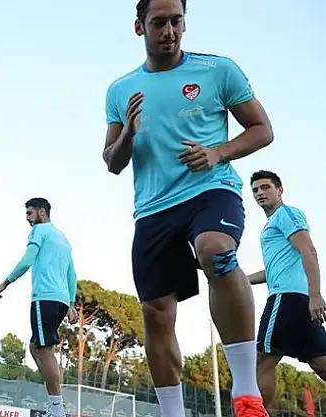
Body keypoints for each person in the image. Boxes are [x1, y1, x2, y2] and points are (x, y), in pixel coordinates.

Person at [102, 0, 274, 416]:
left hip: (210, 190)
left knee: (216, 250)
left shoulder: (218, 70)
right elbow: (111, 161)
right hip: (153, 209)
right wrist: (127, 134)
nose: (169, 31)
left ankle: (246, 393)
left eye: (177, 21)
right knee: (155, 312)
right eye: (159, 22)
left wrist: (217, 153)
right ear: (139, 26)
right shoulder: (121, 90)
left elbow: (262, 129)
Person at [247, 170, 326, 408]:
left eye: (266, 187)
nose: (260, 193)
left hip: (287, 298)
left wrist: (315, 295)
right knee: (321, 362)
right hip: (298, 301)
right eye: (255, 190)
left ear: (280, 190)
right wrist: (238, 279)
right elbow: (271, 271)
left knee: (263, 361)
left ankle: (256, 414)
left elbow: (309, 250)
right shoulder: (272, 224)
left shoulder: (286, 214)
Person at [0, 198, 77, 417]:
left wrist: (6, 282)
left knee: (45, 350)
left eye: (30, 213)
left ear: (42, 212)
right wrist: (71, 304)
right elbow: (72, 274)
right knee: (34, 347)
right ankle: (54, 399)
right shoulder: (63, 239)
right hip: (60, 301)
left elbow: (27, 260)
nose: (27, 218)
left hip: (44, 297)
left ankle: (57, 408)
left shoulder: (40, 231)